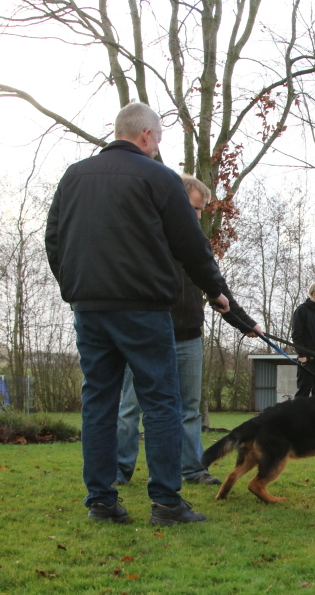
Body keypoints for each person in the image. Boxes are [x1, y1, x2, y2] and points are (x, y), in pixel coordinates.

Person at [46, 102, 231, 526]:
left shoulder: (74, 176)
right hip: (142, 308)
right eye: (159, 139)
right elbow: (191, 244)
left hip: (90, 309)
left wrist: (75, 287)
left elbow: (54, 239)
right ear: (146, 135)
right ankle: (166, 503)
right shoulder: (159, 178)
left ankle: (101, 501)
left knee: (98, 402)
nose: (158, 147)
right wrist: (215, 290)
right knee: (161, 402)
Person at [116, 175, 263, 488]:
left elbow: (217, 287)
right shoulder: (147, 236)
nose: (197, 216)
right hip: (144, 334)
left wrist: (245, 324)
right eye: (195, 208)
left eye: (201, 210)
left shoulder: (197, 242)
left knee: (189, 410)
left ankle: (193, 470)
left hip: (188, 337)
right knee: (130, 407)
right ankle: (120, 470)